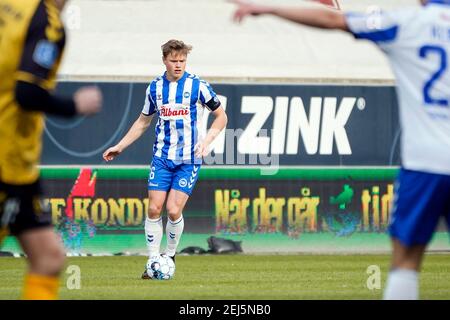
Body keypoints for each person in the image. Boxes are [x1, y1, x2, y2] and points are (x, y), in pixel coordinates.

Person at [231, 0, 450, 300]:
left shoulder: (406, 23)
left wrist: (270, 8)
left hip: (424, 164)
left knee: (406, 262)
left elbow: (332, 18)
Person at [0, 0, 102, 299]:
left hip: (21, 171)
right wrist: (75, 106)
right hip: (7, 160)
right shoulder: (46, 20)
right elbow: (27, 92)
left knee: (48, 258)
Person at [103, 39, 228, 279]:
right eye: (174, 60)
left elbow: (221, 116)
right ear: (164, 60)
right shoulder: (155, 88)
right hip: (162, 158)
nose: (178, 65)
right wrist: (120, 146)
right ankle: (152, 261)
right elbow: (143, 122)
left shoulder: (198, 86)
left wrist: (207, 140)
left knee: (172, 210)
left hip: (189, 159)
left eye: (182, 60)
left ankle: (169, 255)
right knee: (154, 208)